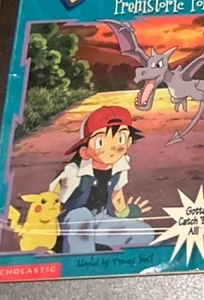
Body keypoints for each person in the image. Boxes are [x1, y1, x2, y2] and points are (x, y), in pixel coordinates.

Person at [52, 106, 154, 254]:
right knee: (82, 216)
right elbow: (54, 200)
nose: (113, 147)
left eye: (120, 139)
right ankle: (81, 258)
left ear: (129, 142)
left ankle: (104, 255)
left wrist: (127, 211)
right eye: (101, 142)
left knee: (143, 232)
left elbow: (116, 195)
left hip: (101, 221)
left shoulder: (120, 166)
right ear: (85, 151)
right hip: (72, 222)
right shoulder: (74, 172)